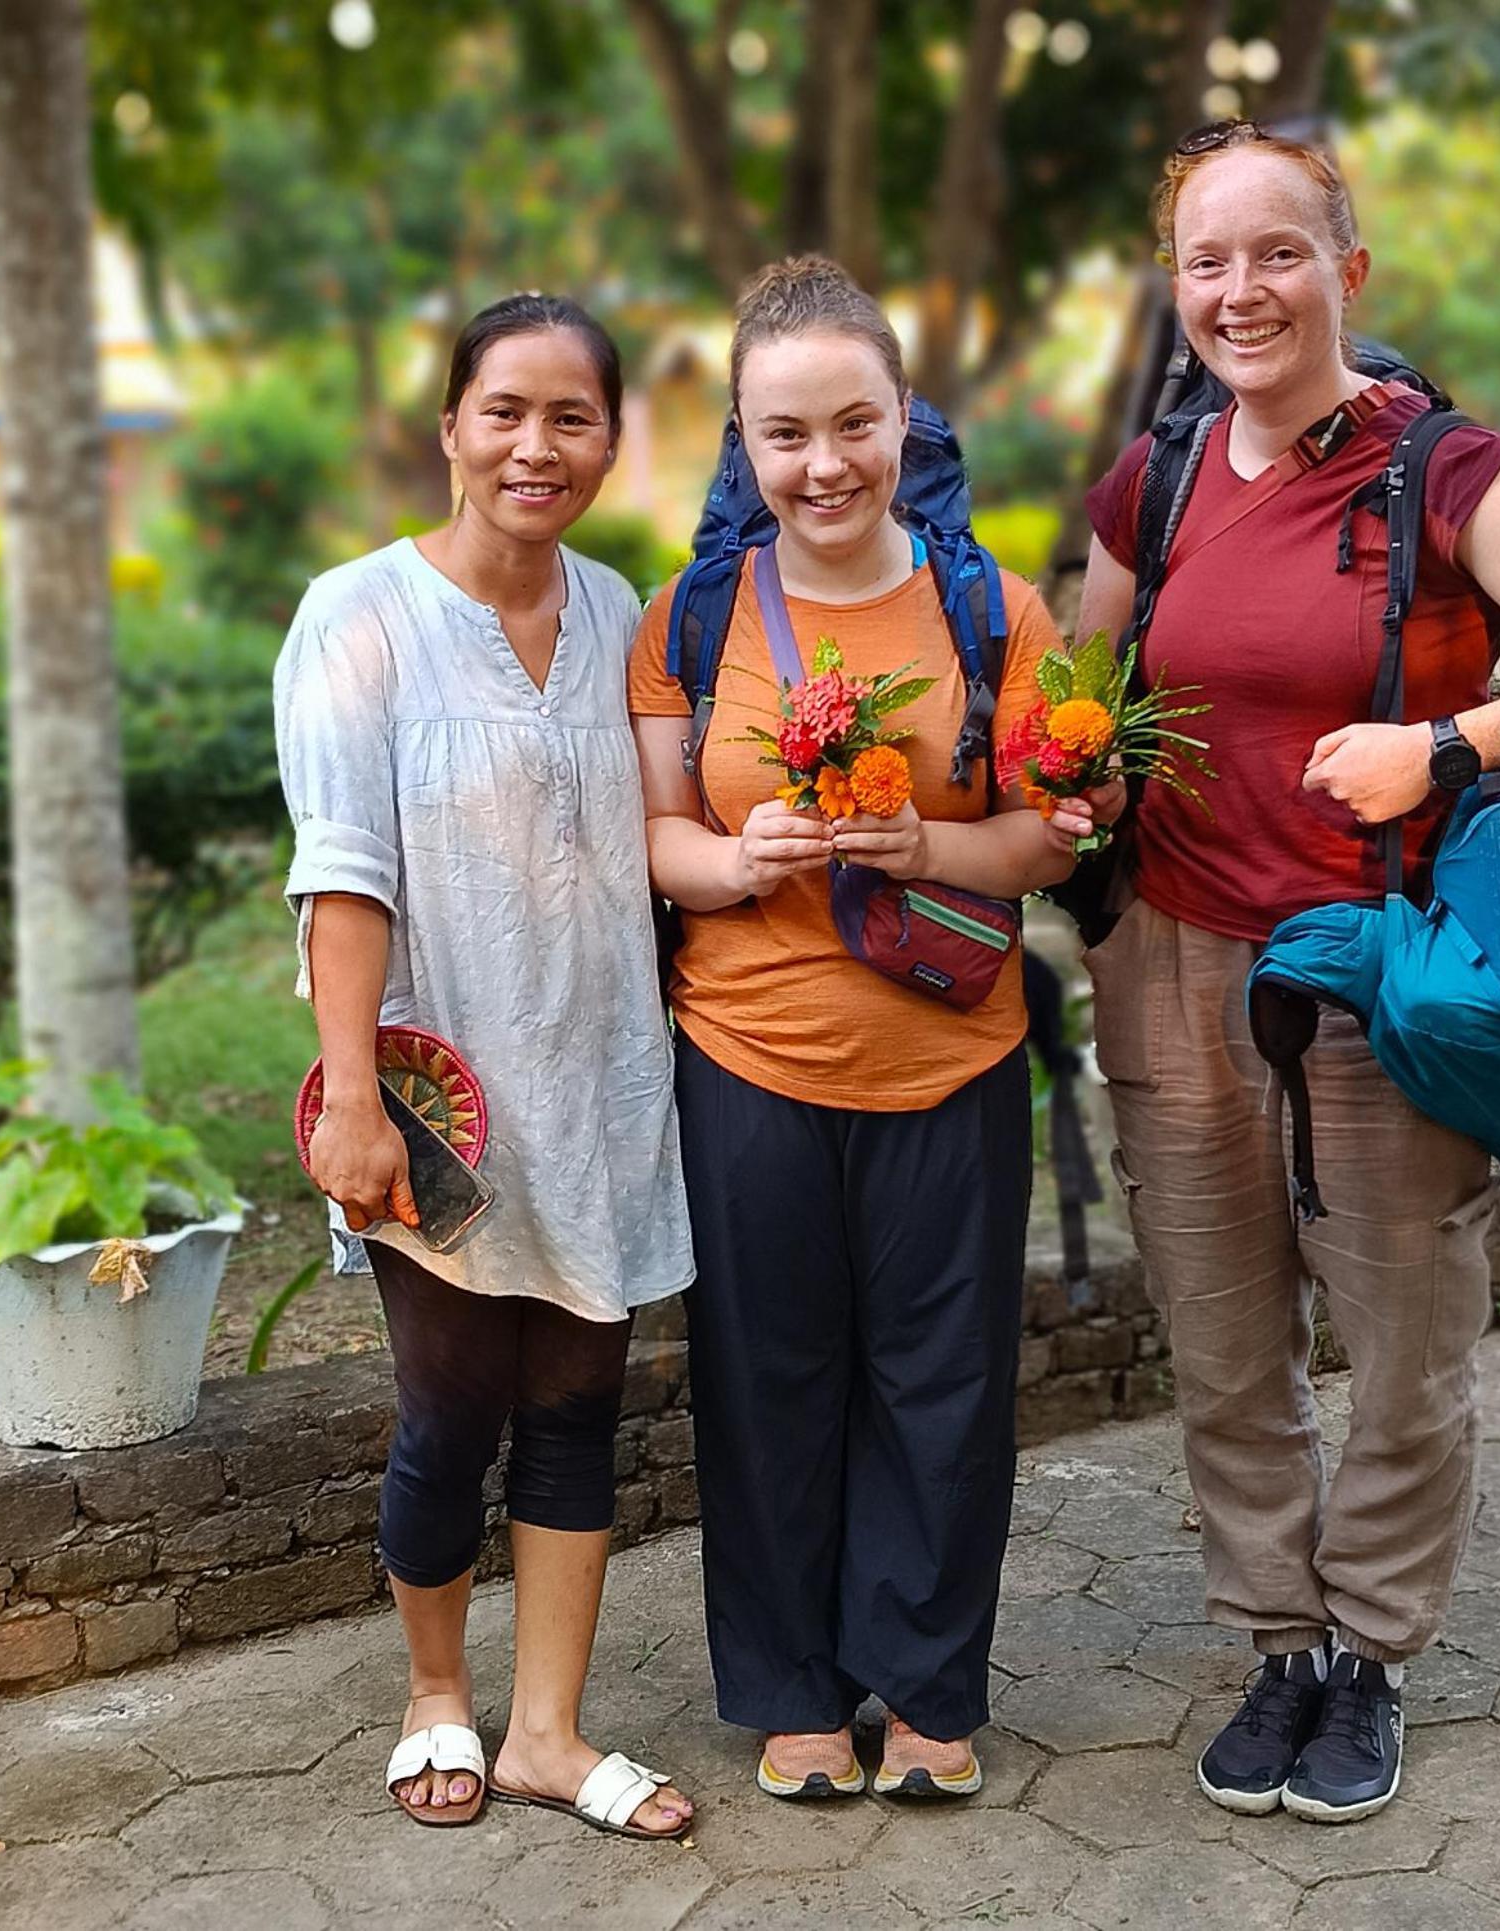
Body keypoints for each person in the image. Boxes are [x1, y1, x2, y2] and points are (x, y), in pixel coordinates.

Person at [1074, 122, 1500, 1824]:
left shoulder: (1449, 472)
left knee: (1405, 1340)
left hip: (1388, 970)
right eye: (1206, 260)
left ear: (1345, 269)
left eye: (1276, 250)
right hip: (1172, 968)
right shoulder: (1152, 480)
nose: (1239, 289)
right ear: (1177, 288)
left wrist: (1448, 745)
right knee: (1220, 1343)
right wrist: (1077, 773)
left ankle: (1370, 1655)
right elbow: (1090, 702)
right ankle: (1278, 1643)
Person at [629, 256, 1087, 1801]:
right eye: (784, 435)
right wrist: (737, 858)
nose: (822, 466)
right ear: (741, 446)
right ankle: (795, 1697)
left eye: (853, 425)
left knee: (946, 1383)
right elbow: (658, 838)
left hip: (952, 1058)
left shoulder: (991, 608)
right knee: (767, 1383)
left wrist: (931, 851)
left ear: (906, 419)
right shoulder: (693, 618)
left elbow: (1047, 839)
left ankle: (930, 1690)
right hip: (747, 1061)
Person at [274, 293, 697, 1837]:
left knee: (583, 1404)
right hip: (439, 1104)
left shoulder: (622, 611)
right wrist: (354, 1098)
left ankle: (547, 1733)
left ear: (608, 440)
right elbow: (341, 872)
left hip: (600, 1082)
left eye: (570, 416)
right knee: (450, 1410)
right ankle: (436, 1701)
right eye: (503, 410)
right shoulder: (360, 615)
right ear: (448, 425)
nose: (536, 444)